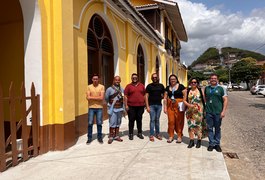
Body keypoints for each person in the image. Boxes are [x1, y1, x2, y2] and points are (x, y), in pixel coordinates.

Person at [205, 73, 228, 152]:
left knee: (217, 128)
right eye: (212, 78)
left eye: (215, 78)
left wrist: (223, 111)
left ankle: (217, 144)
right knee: (210, 128)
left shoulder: (221, 88)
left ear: (217, 80)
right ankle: (211, 144)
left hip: (218, 112)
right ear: (210, 79)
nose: (213, 79)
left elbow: (225, 100)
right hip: (209, 112)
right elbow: (205, 99)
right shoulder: (207, 88)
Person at [183, 78, 205, 148]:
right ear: (190, 83)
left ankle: (199, 140)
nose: (193, 83)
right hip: (190, 112)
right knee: (190, 126)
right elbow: (184, 100)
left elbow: (204, 100)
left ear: (197, 83)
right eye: (192, 82)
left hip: (199, 111)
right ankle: (191, 141)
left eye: (195, 82)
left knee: (199, 126)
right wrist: (189, 105)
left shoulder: (201, 90)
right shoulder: (187, 90)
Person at [163, 74, 185, 143]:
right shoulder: (167, 87)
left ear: (176, 79)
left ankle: (179, 136)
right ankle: (171, 136)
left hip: (179, 105)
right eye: (171, 79)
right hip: (170, 105)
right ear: (169, 80)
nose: (172, 80)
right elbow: (165, 98)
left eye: (174, 79)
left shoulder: (181, 86)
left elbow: (185, 95)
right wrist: (165, 108)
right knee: (171, 121)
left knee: (179, 121)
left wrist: (184, 104)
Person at [124, 73, 145, 140]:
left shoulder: (142, 86)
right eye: (133, 77)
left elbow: (144, 95)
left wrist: (145, 104)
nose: (134, 78)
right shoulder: (128, 86)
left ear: (137, 78)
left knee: (139, 120)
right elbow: (125, 96)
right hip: (131, 106)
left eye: (135, 77)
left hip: (140, 106)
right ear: (131, 78)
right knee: (131, 120)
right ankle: (131, 134)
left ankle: (139, 133)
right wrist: (126, 105)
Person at [145, 73, 165, 142]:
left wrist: (163, 98)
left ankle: (157, 134)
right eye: (153, 77)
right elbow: (146, 96)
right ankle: (151, 134)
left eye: (156, 77)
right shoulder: (149, 86)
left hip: (159, 105)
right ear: (151, 78)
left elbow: (164, 94)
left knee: (157, 120)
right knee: (152, 120)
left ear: (158, 78)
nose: (155, 78)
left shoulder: (161, 86)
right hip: (151, 106)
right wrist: (147, 106)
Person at [86, 74, 105, 144]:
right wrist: (97, 98)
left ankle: (99, 137)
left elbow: (101, 98)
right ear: (92, 79)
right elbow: (88, 98)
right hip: (91, 107)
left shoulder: (102, 87)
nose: (95, 80)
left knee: (99, 123)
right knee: (90, 123)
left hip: (99, 107)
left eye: (96, 79)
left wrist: (92, 97)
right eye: (94, 79)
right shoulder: (89, 87)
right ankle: (89, 138)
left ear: (98, 79)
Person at [105, 76, 124, 144]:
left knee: (118, 123)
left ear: (120, 81)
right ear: (113, 80)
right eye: (116, 80)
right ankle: (111, 136)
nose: (117, 81)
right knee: (112, 123)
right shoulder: (109, 89)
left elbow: (123, 98)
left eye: (118, 80)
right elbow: (106, 98)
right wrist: (110, 105)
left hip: (120, 108)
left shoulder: (122, 89)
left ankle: (116, 136)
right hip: (112, 109)